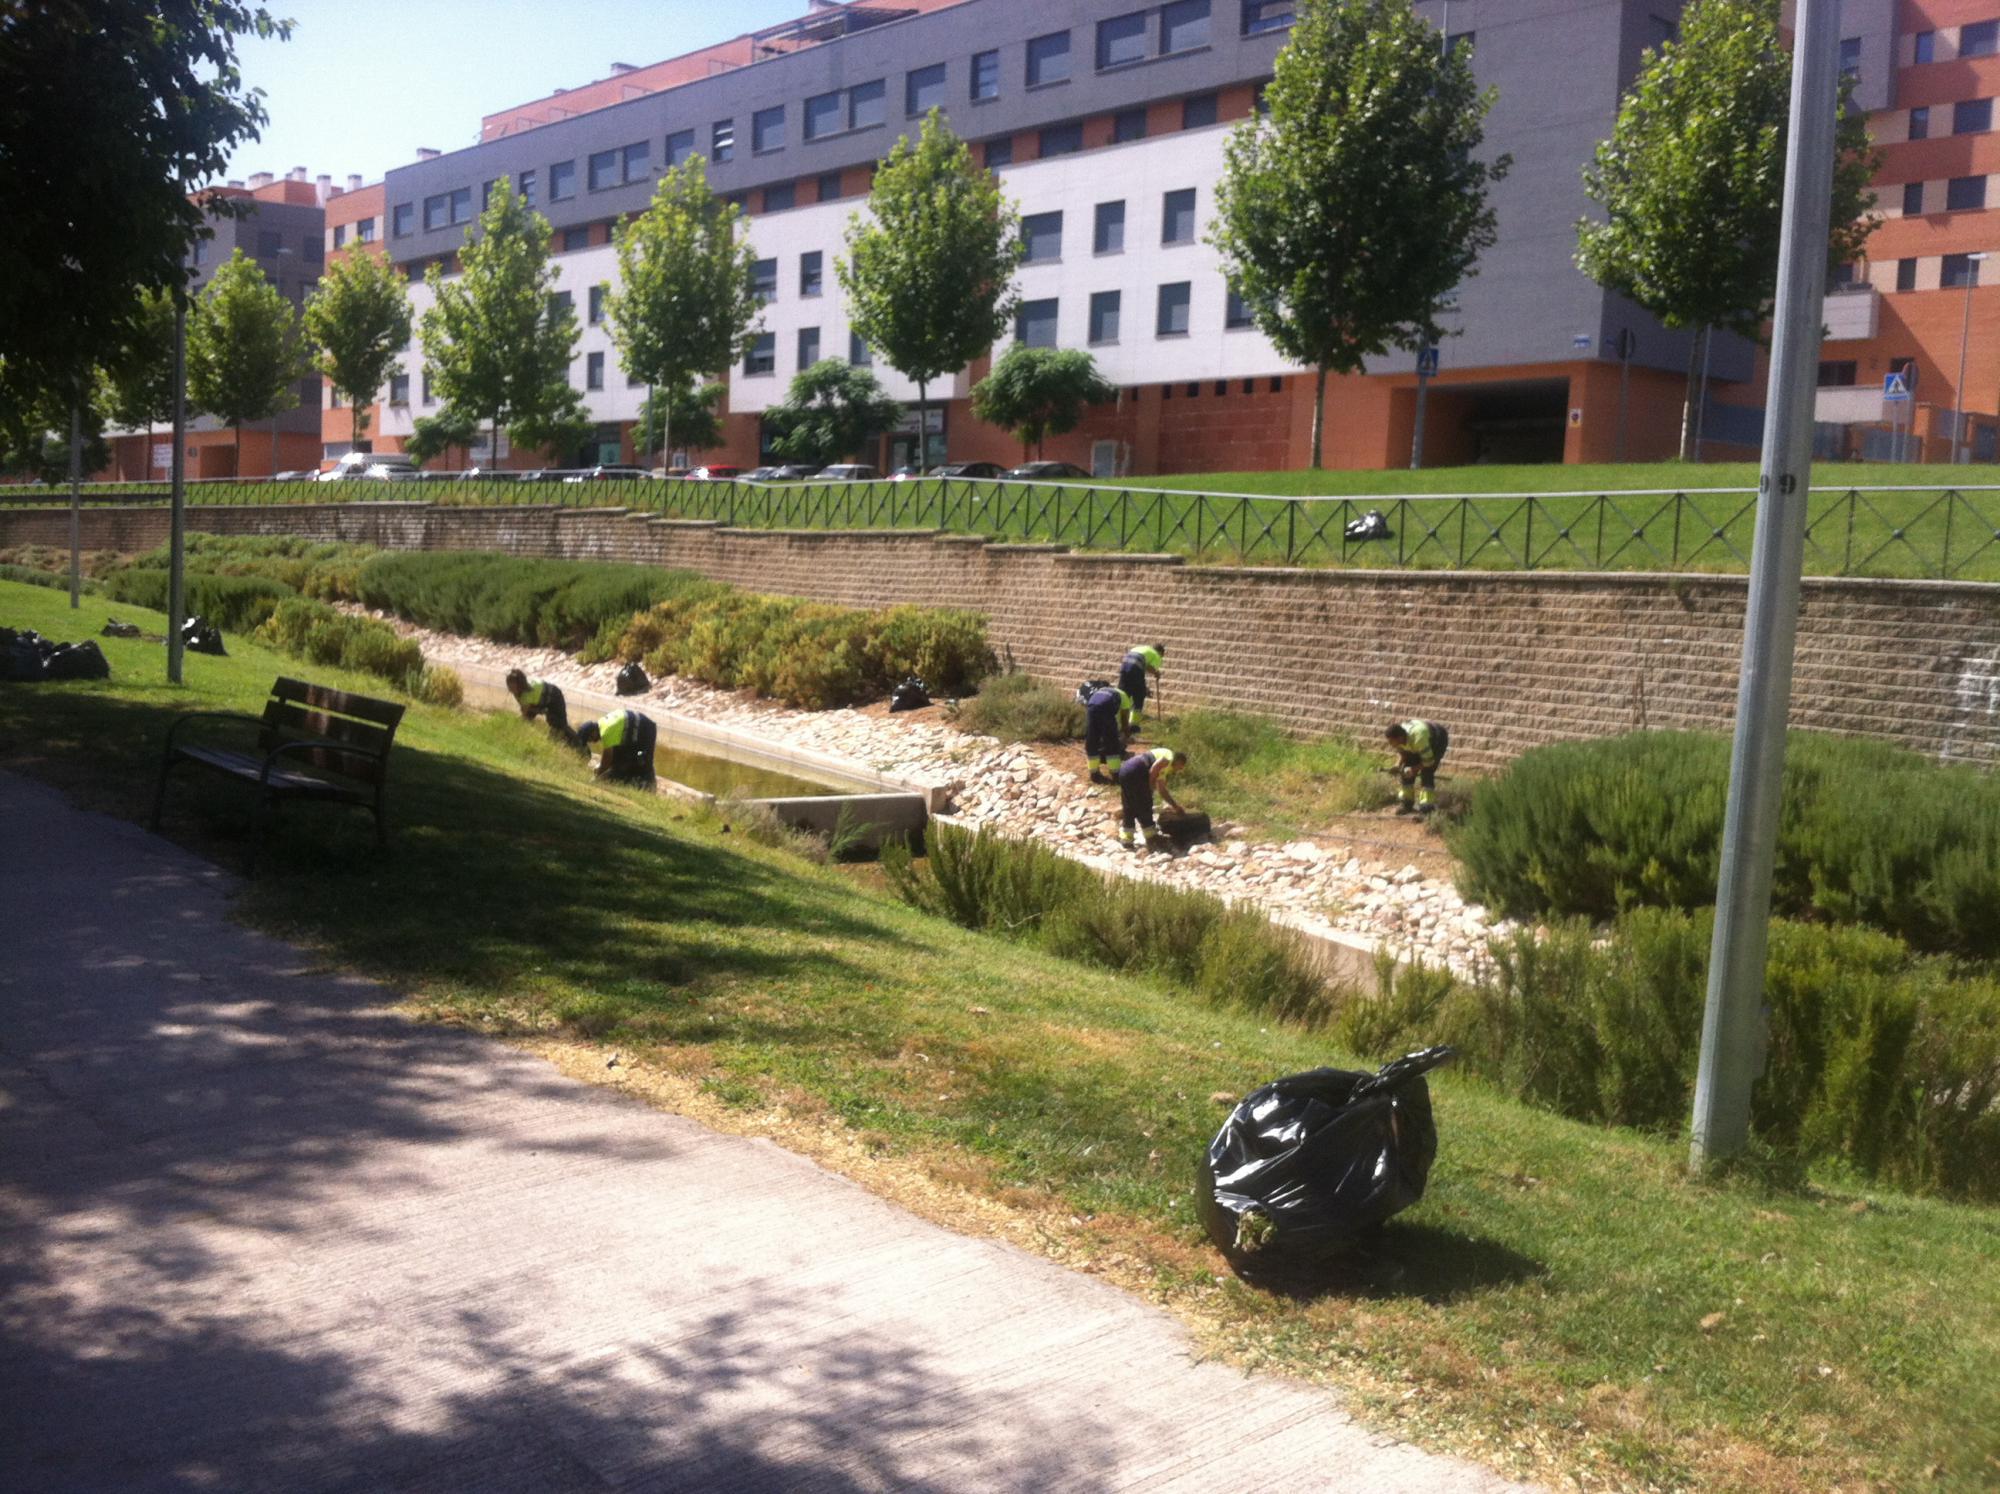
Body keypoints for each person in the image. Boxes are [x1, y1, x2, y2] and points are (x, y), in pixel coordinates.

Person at [1115, 746, 1188, 851]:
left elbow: (1162, 790)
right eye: (1180, 767)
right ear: (1179, 761)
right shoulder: (1169, 757)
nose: (1178, 770)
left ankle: (1126, 839)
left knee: (1129, 805)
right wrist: (1149, 789)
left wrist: (1175, 806)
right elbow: (1154, 768)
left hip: (1125, 770)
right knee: (1145, 805)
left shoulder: (1165, 767)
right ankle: (1151, 837)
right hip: (1138, 770)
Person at [576, 708, 658, 787]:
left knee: (642, 758)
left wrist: (597, 777)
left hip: (646, 729)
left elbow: (607, 760)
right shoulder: (602, 723)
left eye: (590, 738)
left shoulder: (606, 732)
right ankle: (626, 780)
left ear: (593, 732)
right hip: (635, 729)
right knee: (620, 759)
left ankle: (650, 786)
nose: (592, 741)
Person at [1386, 718, 1449, 816]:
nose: (1390, 744)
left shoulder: (1419, 739)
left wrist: (1414, 769)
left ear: (1399, 738)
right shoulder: (1400, 737)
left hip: (1437, 739)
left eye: (1391, 741)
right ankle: (1406, 803)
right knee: (1405, 770)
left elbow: (1428, 762)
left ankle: (1426, 808)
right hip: (1417, 741)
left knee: (1427, 772)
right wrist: (1397, 765)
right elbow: (1403, 753)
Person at [505, 668, 578, 746]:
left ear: (520, 685)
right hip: (540, 699)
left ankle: (577, 742)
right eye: (508, 686)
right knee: (529, 718)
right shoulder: (519, 692)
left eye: (512, 687)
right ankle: (528, 738)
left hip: (555, 697)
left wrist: (541, 711)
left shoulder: (527, 696)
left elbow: (524, 715)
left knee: (559, 724)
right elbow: (525, 710)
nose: (510, 689)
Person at [1083, 683, 1133, 782]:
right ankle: (1115, 774)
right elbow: (1124, 720)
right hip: (1106, 708)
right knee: (1111, 742)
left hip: (1091, 707)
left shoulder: (1103, 689)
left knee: (1092, 741)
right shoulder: (1124, 697)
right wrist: (1126, 735)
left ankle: (1094, 774)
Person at [1118, 643, 1165, 736]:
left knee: (1123, 695)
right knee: (1139, 697)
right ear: (1161, 653)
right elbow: (1149, 667)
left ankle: (1118, 723)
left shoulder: (1143, 648)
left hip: (1125, 666)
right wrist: (1156, 673)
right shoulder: (1156, 655)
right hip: (1136, 668)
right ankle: (1133, 726)